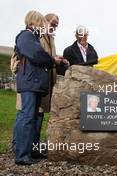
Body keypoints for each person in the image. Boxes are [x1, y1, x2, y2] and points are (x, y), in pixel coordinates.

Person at [13, 10, 66, 165]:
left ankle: (30, 150)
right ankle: (21, 154)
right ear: (34, 22)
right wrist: (52, 61)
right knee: (27, 117)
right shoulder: (26, 36)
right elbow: (37, 55)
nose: (44, 26)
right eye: (42, 23)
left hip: (37, 84)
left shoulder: (34, 37)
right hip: (30, 83)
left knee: (34, 117)